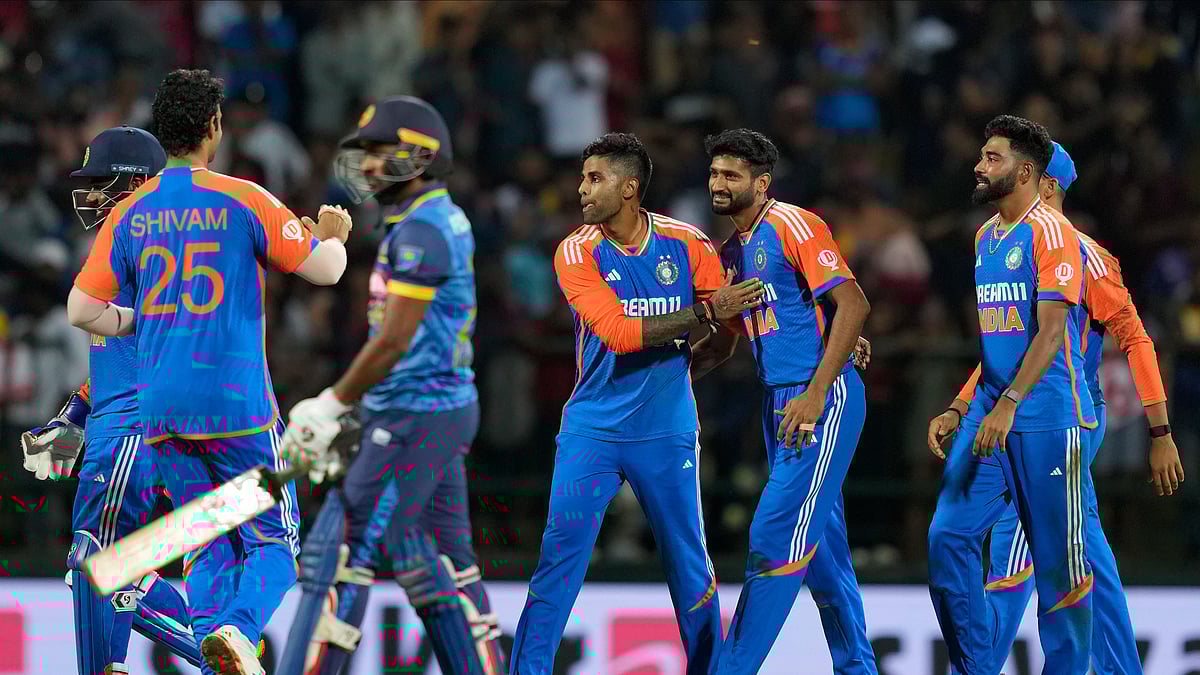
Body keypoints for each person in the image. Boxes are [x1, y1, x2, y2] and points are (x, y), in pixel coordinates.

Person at [67, 69, 351, 675]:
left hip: (164, 414)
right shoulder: (242, 196)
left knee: (204, 540)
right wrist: (336, 236)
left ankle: (207, 645)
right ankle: (238, 634)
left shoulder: (131, 213)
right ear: (215, 127)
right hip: (238, 411)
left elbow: (81, 310)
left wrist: (136, 317)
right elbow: (325, 272)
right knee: (275, 540)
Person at [509, 132, 764, 674]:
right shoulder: (577, 251)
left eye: (594, 178)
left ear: (630, 188)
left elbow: (728, 334)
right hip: (592, 431)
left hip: (666, 431)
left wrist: (681, 372)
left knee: (689, 567)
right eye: (582, 177)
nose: (581, 189)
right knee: (559, 565)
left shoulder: (688, 243)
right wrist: (702, 315)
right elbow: (621, 333)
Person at [929, 141, 1185, 674]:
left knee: (1019, 553)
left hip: (1065, 415)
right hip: (1019, 411)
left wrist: (1159, 430)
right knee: (1081, 551)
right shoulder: (1005, 240)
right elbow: (1010, 346)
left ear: (1045, 184)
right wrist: (960, 402)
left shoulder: (1083, 255)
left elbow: (1136, 339)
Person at [276, 96, 505, 675]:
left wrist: (334, 403)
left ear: (421, 157)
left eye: (383, 153)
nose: (370, 166)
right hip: (425, 410)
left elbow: (394, 341)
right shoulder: (422, 222)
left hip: (415, 416)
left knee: (343, 550)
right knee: (437, 561)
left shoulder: (422, 232)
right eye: (367, 154)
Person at [686, 128, 875, 674]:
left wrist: (817, 392)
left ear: (760, 182)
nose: (719, 184)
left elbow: (853, 304)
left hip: (820, 398)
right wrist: (672, 374)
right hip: (781, 405)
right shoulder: (729, 252)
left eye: (732, 175)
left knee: (774, 534)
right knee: (825, 560)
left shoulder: (793, 223)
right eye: (715, 173)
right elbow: (725, 342)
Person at [20, 125, 203, 675]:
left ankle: (210, 654)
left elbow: (164, 355)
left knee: (91, 563)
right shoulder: (122, 248)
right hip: (120, 429)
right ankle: (216, 650)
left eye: (101, 183)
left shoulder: (147, 251)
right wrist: (71, 417)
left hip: (131, 433)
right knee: (110, 571)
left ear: (137, 184)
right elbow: (115, 365)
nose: (89, 197)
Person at [926, 115, 1098, 674]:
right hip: (990, 414)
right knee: (946, 538)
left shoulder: (1053, 232)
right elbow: (1001, 340)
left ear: (1026, 171)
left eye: (992, 157)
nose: (979, 166)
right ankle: (978, 666)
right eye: (981, 155)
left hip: (1046, 415)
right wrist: (961, 405)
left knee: (1059, 572)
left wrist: (1009, 402)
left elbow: (1050, 333)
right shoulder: (984, 237)